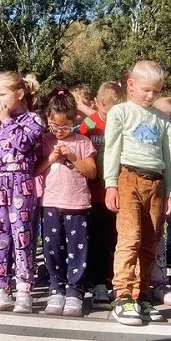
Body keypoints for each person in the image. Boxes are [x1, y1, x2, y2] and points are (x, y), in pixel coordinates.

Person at [103, 61, 171, 326]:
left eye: (156, 91)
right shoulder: (120, 112)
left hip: (156, 183)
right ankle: (122, 295)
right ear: (130, 85)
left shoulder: (162, 119)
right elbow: (110, 148)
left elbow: (169, 157)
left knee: (149, 241)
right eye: (146, 90)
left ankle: (141, 293)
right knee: (130, 238)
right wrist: (110, 183)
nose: (150, 96)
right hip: (127, 177)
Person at [0, 71, 45, 314]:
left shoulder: (33, 120)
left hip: (21, 185)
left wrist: (7, 120)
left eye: (3, 95)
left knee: (22, 238)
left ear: (19, 94)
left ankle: (24, 289)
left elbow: (23, 143)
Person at [37, 87, 97, 317]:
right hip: (51, 203)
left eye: (64, 126)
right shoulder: (45, 140)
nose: (59, 131)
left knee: (77, 251)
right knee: (52, 249)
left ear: (73, 121)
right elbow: (36, 170)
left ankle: (75, 291)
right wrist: (51, 158)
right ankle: (56, 288)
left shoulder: (82, 142)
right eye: (54, 126)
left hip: (77, 204)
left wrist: (71, 157)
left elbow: (91, 171)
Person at [81, 81, 121, 309]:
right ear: (97, 104)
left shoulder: (122, 122)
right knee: (96, 238)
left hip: (115, 191)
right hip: (93, 192)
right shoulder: (90, 122)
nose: (107, 114)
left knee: (115, 239)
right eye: (104, 109)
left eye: (112, 109)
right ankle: (97, 281)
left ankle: (114, 278)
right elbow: (77, 137)